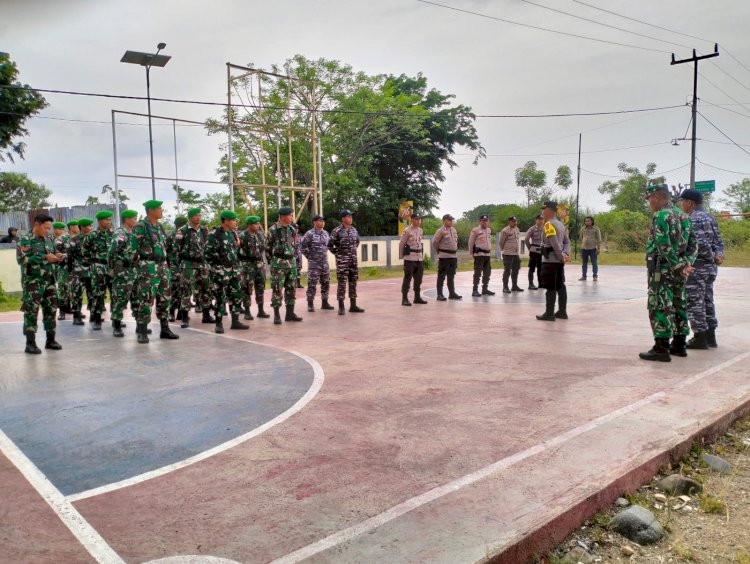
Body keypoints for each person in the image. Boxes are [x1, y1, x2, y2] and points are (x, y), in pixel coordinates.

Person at [639, 184, 694, 362]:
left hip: (662, 268)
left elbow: (663, 245)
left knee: (659, 304)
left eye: (649, 200)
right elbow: (694, 244)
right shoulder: (683, 215)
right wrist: (686, 264)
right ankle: (679, 345)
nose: (649, 204)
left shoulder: (661, 215)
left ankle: (661, 348)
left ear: (656, 197)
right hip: (679, 269)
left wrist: (677, 265)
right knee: (679, 303)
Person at [679, 189, 724, 349]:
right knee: (707, 300)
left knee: (694, 301)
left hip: (698, 266)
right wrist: (718, 255)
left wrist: (710, 256)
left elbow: (700, 243)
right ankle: (711, 337)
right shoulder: (710, 217)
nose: (681, 204)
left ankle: (699, 337)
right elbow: (718, 240)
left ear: (689, 202)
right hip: (710, 268)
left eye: (682, 201)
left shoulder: (693, 218)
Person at [130, 200, 180, 343]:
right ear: (151, 210)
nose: (161, 210)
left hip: (162, 267)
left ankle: (165, 329)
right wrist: (137, 269)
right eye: (159, 208)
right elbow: (132, 250)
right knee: (146, 299)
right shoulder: (140, 227)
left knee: (165, 298)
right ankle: (142, 330)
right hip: (147, 268)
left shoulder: (159, 226)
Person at [16, 214, 63, 354]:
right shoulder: (25, 240)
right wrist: (44, 257)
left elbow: (53, 254)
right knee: (31, 311)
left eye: (49, 228)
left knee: (51, 310)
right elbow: (22, 260)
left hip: (49, 281)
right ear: (37, 224)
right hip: (33, 282)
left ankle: (51, 340)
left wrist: (58, 256)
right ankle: (30, 343)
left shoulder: (49, 239)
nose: (48, 231)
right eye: (46, 228)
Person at [205, 210, 249, 333]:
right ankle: (219, 324)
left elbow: (235, 251)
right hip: (220, 270)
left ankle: (235, 321)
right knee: (220, 297)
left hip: (234, 270)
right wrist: (216, 268)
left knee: (236, 294)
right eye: (234, 220)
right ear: (226, 221)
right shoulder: (214, 234)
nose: (236, 222)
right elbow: (207, 254)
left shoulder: (233, 234)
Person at [174, 208, 214, 327]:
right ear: (190, 218)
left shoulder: (204, 230)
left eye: (199, 215)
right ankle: (185, 318)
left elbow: (208, 245)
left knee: (206, 288)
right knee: (186, 290)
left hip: (202, 263)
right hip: (188, 264)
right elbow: (177, 248)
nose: (198, 217)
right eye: (195, 216)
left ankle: (206, 315)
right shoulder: (183, 230)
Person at [266, 206, 303, 324]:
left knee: (291, 289)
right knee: (277, 289)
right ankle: (277, 315)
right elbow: (267, 248)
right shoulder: (273, 230)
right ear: (283, 216)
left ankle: (290, 314)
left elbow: (294, 246)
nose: (292, 217)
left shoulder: (292, 229)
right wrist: (273, 262)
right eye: (290, 215)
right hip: (278, 264)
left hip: (291, 263)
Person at [536, 202, 570, 321]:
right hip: (559, 262)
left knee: (550, 287)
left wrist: (561, 256)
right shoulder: (560, 224)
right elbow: (567, 242)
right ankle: (562, 311)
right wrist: (565, 254)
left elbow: (555, 243)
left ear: (549, 211)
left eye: (543, 210)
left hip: (550, 260)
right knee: (560, 285)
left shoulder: (548, 225)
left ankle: (549, 313)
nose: (542, 212)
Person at [108, 209, 139, 338]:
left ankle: (140, 325)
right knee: (120, 298)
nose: (135, 221)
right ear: (126, 219)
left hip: (134, 270)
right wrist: (112, 268)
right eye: (133, 218)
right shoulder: (120, 233)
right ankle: (116, 325)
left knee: (137, 299)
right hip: (123, 271)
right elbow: (112, 251)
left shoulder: (133, 233)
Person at [82, 210, 114, 330]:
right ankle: (97, 319)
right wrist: (92, 265)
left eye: (110, 219)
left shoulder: (113, 234)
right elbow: (84, 251)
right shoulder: (92, 235)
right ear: (100, 221)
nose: (109, 222)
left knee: (115, 293)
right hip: (97, 267)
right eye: (107, 220)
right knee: (98, 294)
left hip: (112, 268)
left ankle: (116, 319)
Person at [328, 209, 364, 315]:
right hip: (342, 261)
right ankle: (341, 306)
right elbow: (330, 244)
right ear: (343, 219)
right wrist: (338, 254)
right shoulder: (337, 231)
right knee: (342, 283)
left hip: (353, 260)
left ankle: (353, 305)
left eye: (351, 216)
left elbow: (357, 242)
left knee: (353, 282)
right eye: (349, 216)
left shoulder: (354, 230)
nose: (351, 218)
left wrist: (351, 252)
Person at [238, 215, 271, 320]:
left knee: (260, 288)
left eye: (258, 223)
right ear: (249, 225)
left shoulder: (260, 235)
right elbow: (236, 251)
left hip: (260, 265)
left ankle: (260, 311)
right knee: (247, 289)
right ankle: (247, 312)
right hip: (247, 266)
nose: (258, 225)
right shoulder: (242, 236)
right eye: (255, 224)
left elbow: (264, 249)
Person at [300, 214, 334, 312]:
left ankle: (325, 302)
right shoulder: (309, 234)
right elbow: (303, 247)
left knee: (326, 282)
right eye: (320, 220)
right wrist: (310, 256)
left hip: (324, 262)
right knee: (312, 283)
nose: (322, 222)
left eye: (323, 221)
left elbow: (328, 245)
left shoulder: (326, 233)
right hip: (314, 263)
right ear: (315, 222)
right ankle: (310, 303)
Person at [67, 218, 93, 326]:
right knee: (77, 294)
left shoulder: (93, 238)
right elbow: (69, 256)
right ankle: (76, 316)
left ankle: (94, 315)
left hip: (91, 271)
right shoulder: (73, 240)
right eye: (89, 226)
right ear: (82, 227)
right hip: (78, 271)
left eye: (91, 226)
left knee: (92, 294)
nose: (91, 228)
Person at [432, 213, 461, 301]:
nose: (451, 221)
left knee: (451, 276)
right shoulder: (440, 231)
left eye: (451, 220)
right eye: (449, 220)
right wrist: (439, 251)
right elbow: (434, 242)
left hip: (453, 256)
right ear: (444, 221)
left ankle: (452, 293)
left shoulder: (454, 230)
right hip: (444, 256)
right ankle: (439, 294)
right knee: (441, 276)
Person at [399, 213, 426, 306]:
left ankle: (417, 297)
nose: (419, 221)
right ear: (412, 220)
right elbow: (401, 244)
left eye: (420, 219)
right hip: (409, 257)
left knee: (419, 278)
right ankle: (405, 299)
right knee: (407, 278)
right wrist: (402, 256)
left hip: (419, 258)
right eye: (417, 219)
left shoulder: (420, 230)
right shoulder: (407, 231)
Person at [55, 220, 79, 319]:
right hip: (64, 268)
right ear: (71, 227)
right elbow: (56, 252)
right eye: (77, 226)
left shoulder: (79, 239)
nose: (78, 228)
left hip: (75, 269)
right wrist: (64, 255)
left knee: (75, 289)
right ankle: (62, 312)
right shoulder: (62, 238)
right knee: (62, 289)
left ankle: (75, 310)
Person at [167, 216, 188, 322]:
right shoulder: (171, 236)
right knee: (175, 289)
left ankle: (180, 312)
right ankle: (171, 312)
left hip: (185, 265)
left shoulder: (187, 234)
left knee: (184, 289)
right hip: (174, 266)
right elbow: (165, 251)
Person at [468, 214, 494, 297]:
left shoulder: (489, 230)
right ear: (480, 221)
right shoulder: (475, 230)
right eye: (483, 220)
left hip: (487, 254)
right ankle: (475, 290)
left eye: (486, 220)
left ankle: (485, 289)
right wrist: (472, 253)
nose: (485, 222)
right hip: (479, 255)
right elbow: (471, 242)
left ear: (488, 221)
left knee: (487, 273)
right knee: (478, 273)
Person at [499, 216, 524, 293]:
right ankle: (505, 287)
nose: (515, 223)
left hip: (515, 253)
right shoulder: (505, 230)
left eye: (516, 221)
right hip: (508, 254)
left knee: (516, 269)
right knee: (507, 270)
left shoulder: (517, 229)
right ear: (509, 222)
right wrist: (504, 250)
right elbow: (501, 242)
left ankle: (514, 286)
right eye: (513, 221)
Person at [51, 222, 67, 320]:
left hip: (62, 267)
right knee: (54, 290)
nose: (62, 231)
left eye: (63, 229)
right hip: (51, 268)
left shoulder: (65, 239)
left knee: (63, 288)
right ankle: (59, 310)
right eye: (60, 229)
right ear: (55, 229)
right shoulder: (49, 239)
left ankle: (64, 310)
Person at [579, 216, 602, 281]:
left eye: (588, 221)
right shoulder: (583, 228)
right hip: (584, 248)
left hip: (593, 248)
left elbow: (599, 239)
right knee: (584, 263)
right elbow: (581, 237)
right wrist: (584, 242)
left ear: (592, 221)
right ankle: (584, 276)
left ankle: (595, 276)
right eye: (586, 221)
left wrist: (598, 248)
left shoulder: (596, 229)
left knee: (594, 262)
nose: (587, 222)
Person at [524, 214, 544, 290]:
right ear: (536, 220)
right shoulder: (532, 229)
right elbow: (526, 239)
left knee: (540, 268)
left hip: (542, 250)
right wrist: (530, 248)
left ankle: (541, 283)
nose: (541, 221)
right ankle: (531, 284)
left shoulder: (545, 229)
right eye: (539, 219)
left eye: (542, 219)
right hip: (534, 251)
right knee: (532, 267)